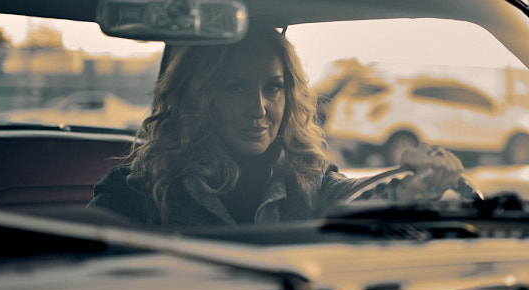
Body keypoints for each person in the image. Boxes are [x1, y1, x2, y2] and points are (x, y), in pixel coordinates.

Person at [87, 26, 464, 227]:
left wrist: (411, 186)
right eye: (236, 88)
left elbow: (356, 200)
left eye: (273, 88)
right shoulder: (139, 190)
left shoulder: (306, 181)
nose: (259, 109)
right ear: (202, 96)